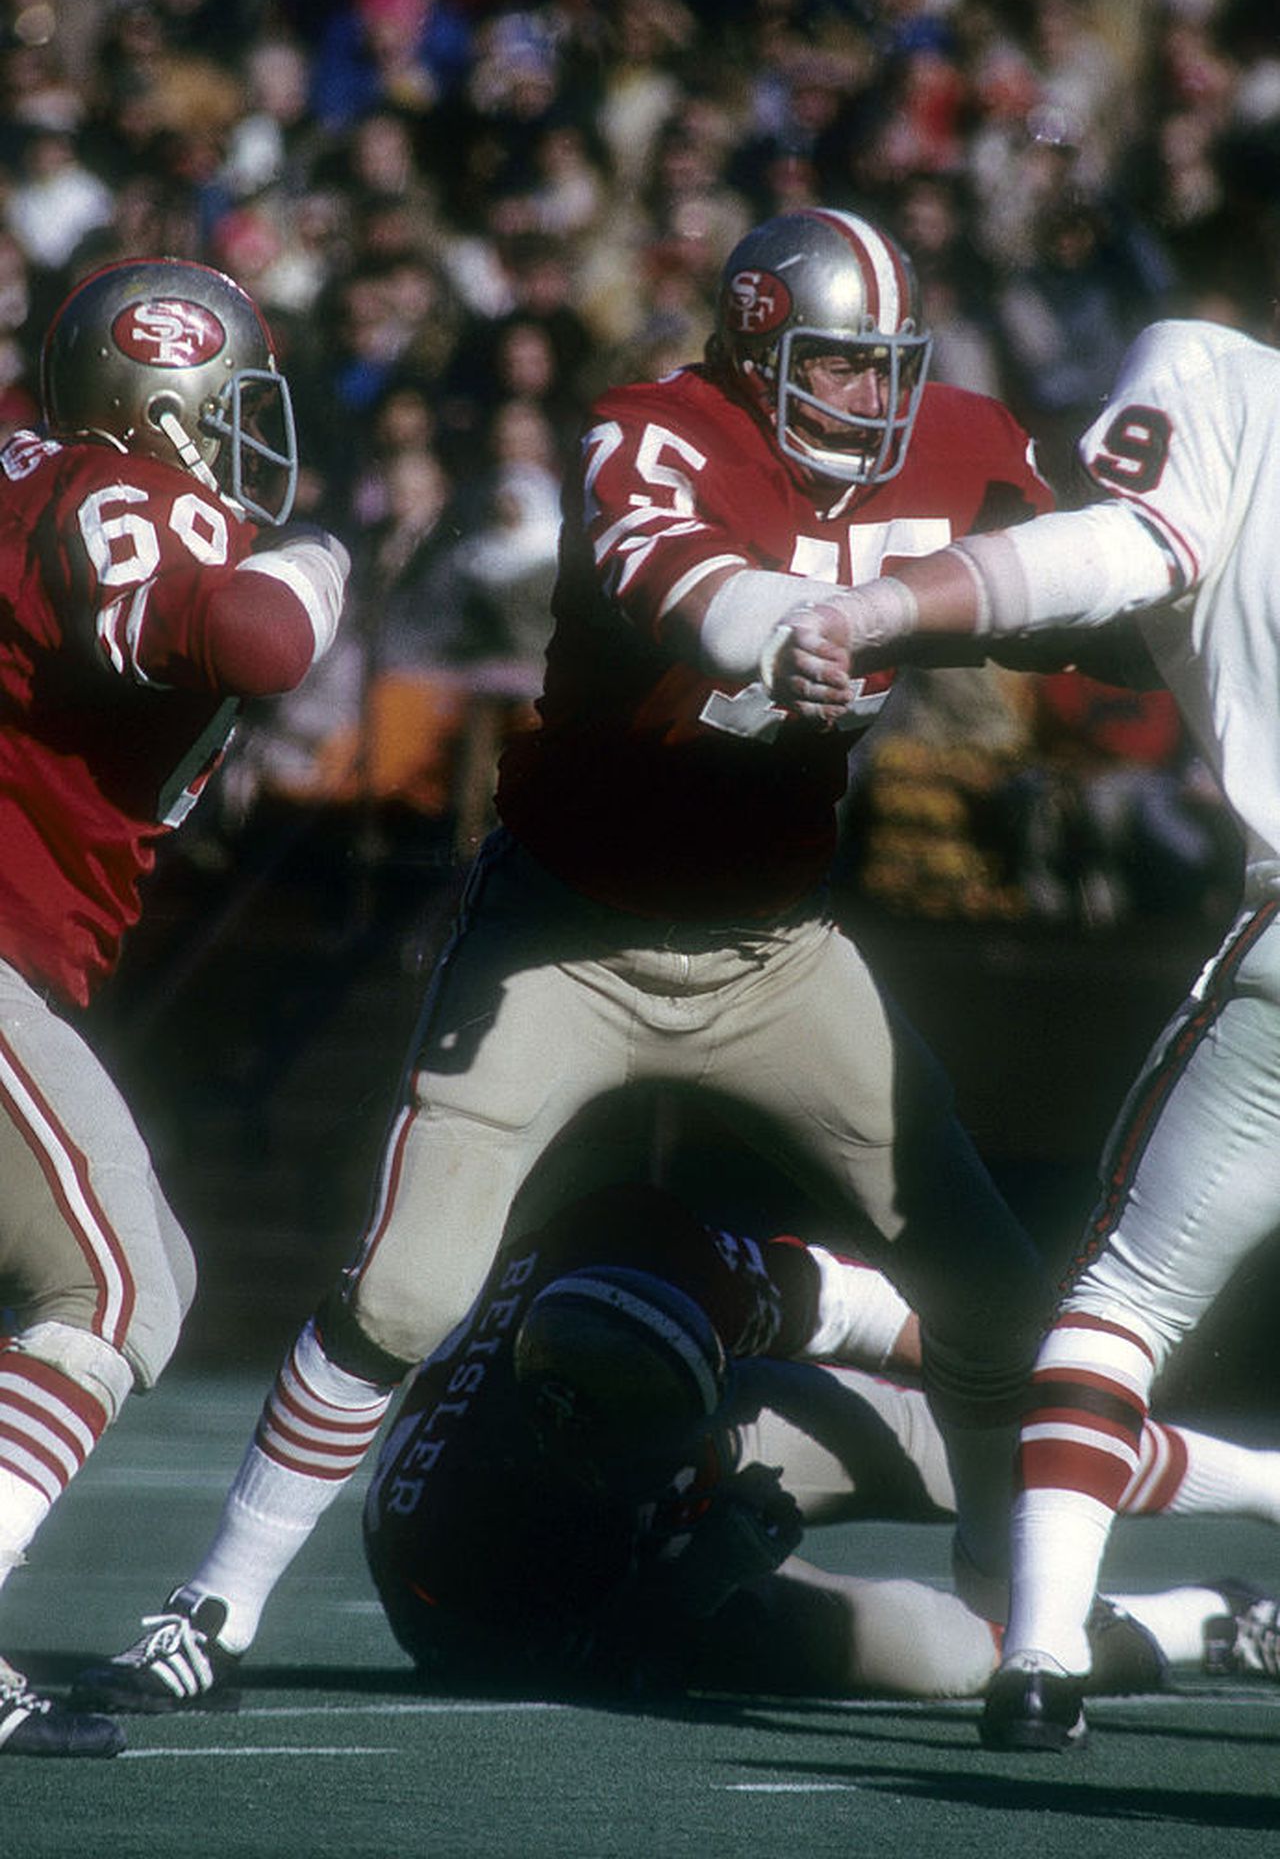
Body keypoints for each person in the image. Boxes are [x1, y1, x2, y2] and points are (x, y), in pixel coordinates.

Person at [76, 207, 1060, 1698]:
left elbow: (1095, 578)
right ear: (750, 336)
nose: (876, 401)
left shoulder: (956, 442)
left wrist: (1141, 578)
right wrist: (805, 619)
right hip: (570, 933)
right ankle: (213, 1607)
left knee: (991, 1287)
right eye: (843, 367)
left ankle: (1015, 1625)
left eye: (886, 370)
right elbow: (691, 587)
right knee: (407, 1289)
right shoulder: (652, 430)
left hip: (771, 951)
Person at [756, 310, 1280, 1749]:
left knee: (1120, 1308)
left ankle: (1041, 1655)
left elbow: (1121, 553)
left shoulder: (1221, 377)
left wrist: (884, 605)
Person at [73, 1181, 1280, 1709]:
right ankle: (1205, 1620)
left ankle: (1265, 1487)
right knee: (953, 1653)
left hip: (644, 1408)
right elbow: (604, 1647)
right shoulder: (479, 1547)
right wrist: (706, 1566)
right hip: (545, 1605)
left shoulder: (653, 1261)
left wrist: (1018, 1381)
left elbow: (863, 1311)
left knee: (980, 1415)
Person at [0, 256, 350, 1757]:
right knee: (119, 1289)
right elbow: (261, 641)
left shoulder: (30, 471)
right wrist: (329, 554)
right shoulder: (116, 490)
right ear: (169, 403)